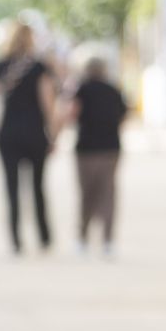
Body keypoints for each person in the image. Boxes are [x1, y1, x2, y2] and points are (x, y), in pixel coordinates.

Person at [0, 23, 57, 254]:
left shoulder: (1, 65)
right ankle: (44, 238)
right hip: (34, 132)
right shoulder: (39, 67)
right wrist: (52, 134)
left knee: (11, 188)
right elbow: (48, 103)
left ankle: (16, 241)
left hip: (9, 133)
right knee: (37, 187)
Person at [65, 54, 129, 256]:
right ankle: (108, 240)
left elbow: (72, 114)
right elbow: (123, 115)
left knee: (87, 194)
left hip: (87, 149)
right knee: (108, 194)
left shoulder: (81, 90)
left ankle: (83, 238)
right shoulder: (114, 90)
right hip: (110, 148)